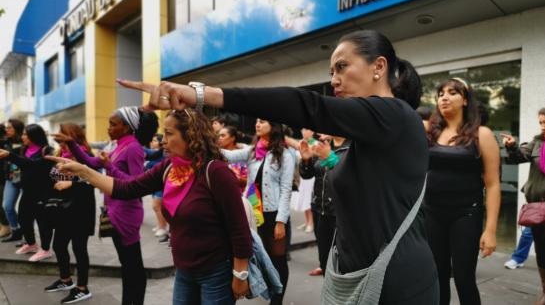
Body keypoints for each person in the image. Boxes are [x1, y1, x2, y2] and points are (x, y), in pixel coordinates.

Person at [118, 28, 439, 304]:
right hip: (354, 276)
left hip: (396, 282)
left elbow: (307, 106)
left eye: (342, 67)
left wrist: (200, 94)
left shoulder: (395, 115)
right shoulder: (367, 135)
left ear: (378, 67)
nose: (335, 81)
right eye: (331, 72)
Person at [48, 109, 252, 305]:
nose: (162, 140)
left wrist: (240, 274)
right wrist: (84, 171)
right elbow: (127, 188)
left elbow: (239, 228)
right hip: (184, 268)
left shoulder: (215, 172)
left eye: (169, 134)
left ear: (191, 135)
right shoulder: (170, 167)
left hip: (216, 271)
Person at [53, 106, 158, 305]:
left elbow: (136, 185)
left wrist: (109, 167)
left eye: (113, 124)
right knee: (126, 265)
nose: (108, 128)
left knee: (132, 266)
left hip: (127, 214)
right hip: (114, 211)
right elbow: (91, 163)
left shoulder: (134, 148)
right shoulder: (119, 146)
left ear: (127, 127)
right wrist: (72, 144)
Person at [423, 77, 501, 305]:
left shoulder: (482, 134)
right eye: (440, 94)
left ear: (465, 100)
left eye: (452, 93)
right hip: (432, 213)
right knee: (436, 277)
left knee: (464, 278)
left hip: (466, 214)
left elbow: (493, 184)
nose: (444, 97)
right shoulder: (430, 131)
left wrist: (491, 230)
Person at [221, 119, 294, 305]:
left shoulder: (285, 154)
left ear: (274, 126)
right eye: (256, 122)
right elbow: (228, 155)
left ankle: (277, 301)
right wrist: (204, 140)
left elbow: (286, 189)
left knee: (278, 260)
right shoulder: (253, 151)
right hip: (255, 213)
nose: (257, 124)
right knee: (262, 256)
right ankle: (270, 291)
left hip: (275, 212)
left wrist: (281, 222)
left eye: (262, 121)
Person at [501, 105, 545, 305]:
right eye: (541, 122)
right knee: (543, 251)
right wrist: (511, 146)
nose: (543, 126)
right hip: (539, 209)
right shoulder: (537, 143)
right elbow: (517, 158)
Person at [44, 123, 96, 303]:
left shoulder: (86, 156)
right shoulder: (60, 154)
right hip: (62, 209)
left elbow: (93, 182)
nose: (59, 136)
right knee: (58, 245)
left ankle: (83, 288)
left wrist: (71, 184)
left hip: (81, 209)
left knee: (79, 248)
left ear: (72, 135)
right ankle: (65, 280)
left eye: (62, 133)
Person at [0, 124, 55, 261]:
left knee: (42, 221)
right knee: (24, 218)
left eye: (25, 134)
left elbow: (33, 164)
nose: (23, 136)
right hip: (28, 191)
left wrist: (11, 156)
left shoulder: (46, 150)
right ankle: (31, 244)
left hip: (42, 192)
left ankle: (46, 249)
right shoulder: (24, 149)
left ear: (33, 136)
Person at [299, 134, 349, 276]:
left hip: (342, 214)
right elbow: (308, 174)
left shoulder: (353, 146)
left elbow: (350, 177)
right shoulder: (324, 145)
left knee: (342, 264)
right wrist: (306, 160)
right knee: (325, 260)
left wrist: (330, 158)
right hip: (321, 211)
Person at [1, 119, 24, 243]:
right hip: (10, 177)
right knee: (7, 206)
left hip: (26, 179)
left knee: (26, 210)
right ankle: (15, 230)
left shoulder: (26, 142)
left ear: (17, 129)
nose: (7, 130)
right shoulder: (5, 142)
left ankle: (28, 236)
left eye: (10, 128)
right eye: (6, 128)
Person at [145, 133, 168, 240]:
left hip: (160, 184)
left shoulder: (163, 154)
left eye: (155, 140)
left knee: (156, 206)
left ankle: (163, 227)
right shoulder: (153, 153)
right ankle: (160, 225)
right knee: (157, 207)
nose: (152, 142)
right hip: (153, 185)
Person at [293, 128, 316, 233]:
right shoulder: (300, 142)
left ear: (312, 132)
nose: (304, 131)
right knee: (303, 200)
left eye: (307, 129)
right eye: (303, 129)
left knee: (308, 200)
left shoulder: (315, 143)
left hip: (310, 177)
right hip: (301, 176)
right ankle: (307, 222)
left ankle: (311, 223)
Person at [218, 126, 248, 193]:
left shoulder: (242, 156)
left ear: (232, 138)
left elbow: (249, 181)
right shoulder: (217, 155)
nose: (219, 138)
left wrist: (236, 179)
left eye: (223, 136)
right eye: (219, 136)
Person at [0, 124, 11, 237]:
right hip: (4, 176)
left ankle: (7, 225)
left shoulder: (5, 144)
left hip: (3, 177)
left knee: (6, 205)